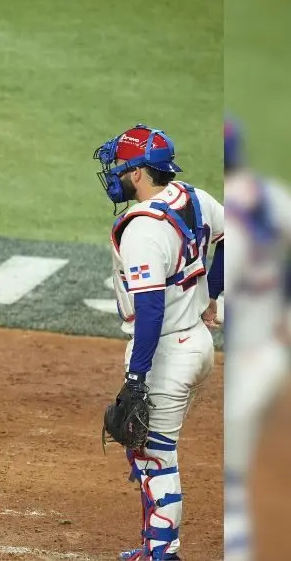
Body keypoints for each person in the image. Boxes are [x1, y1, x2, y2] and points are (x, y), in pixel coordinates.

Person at [92, 124, 224, 560]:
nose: (115, 174)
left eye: (122, 167)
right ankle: (155, 547)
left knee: (155, 458)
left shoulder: (142, 231)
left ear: (140, 173)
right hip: (196, 342)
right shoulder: (192, 197)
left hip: (168, 352)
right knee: (145, 448)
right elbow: (232, 236)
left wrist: (136, 376)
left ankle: (162, 554)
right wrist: (214, 294)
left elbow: (149, 309)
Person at [221, 115, 291, 561]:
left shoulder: (228, 213)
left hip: (243, 370)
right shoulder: (270, 195)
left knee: (232, 487)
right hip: (272, 352)